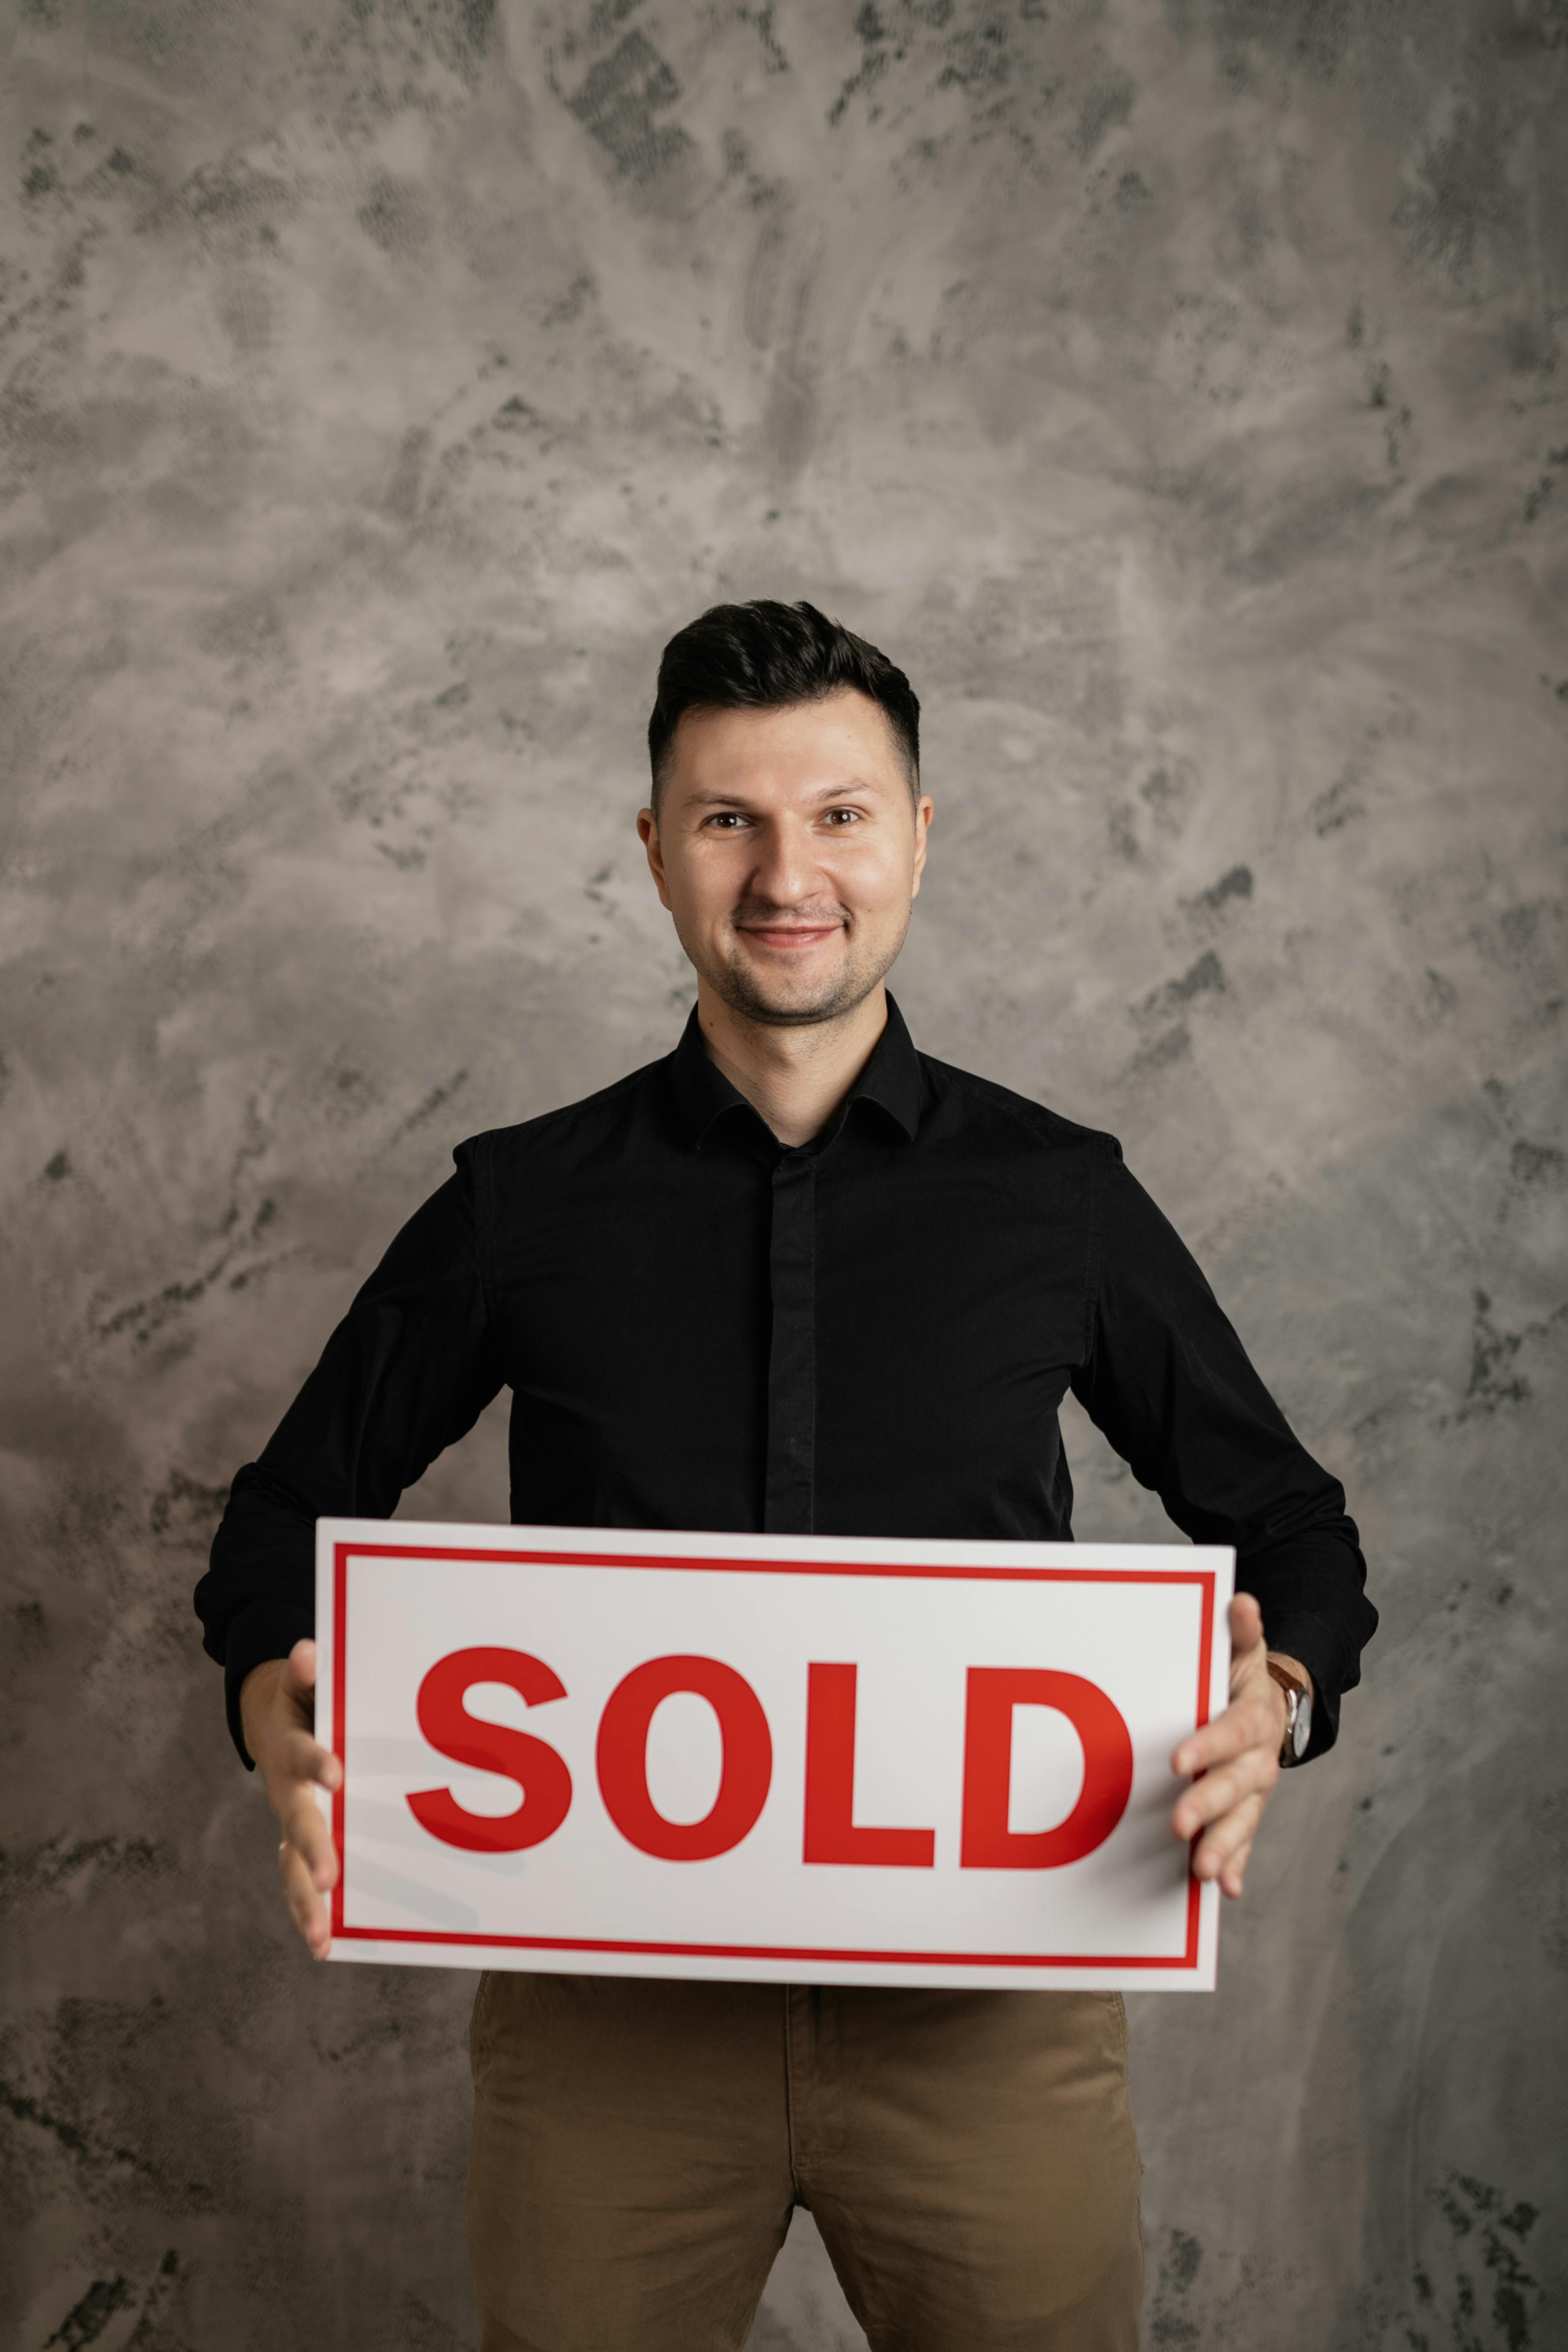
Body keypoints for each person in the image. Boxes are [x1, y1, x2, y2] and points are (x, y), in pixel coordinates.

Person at [197, 600, 1375, 2352]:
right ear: (655, 848)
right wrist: (272, 1715)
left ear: (915, 835)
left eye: (836, 814)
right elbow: (275, 1529)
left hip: (991, 2017)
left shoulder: (1056, 1200)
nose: (783, 872)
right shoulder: (522, 1206)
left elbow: (1292, 1527)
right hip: (610, 2034)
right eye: (727, 818)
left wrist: (1271, 1697)